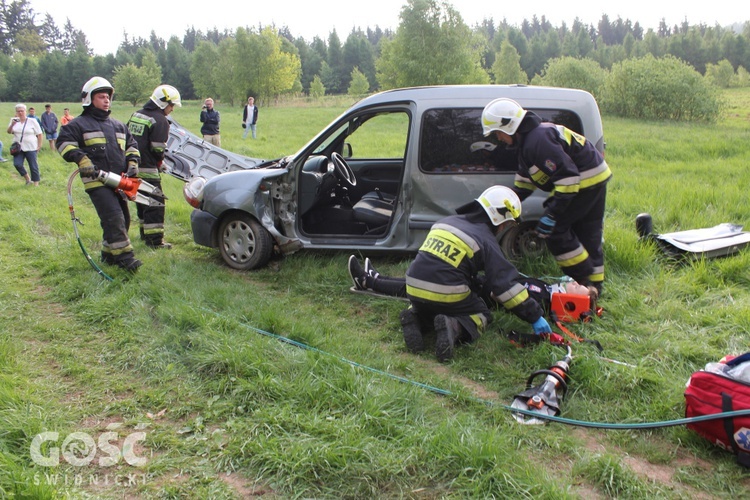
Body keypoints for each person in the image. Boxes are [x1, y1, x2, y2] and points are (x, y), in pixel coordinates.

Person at [348, 186, 552, 362]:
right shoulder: (485, 239)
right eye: (509, 223)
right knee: (481, 314)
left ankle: (416, 317)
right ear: (499, 217)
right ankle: (455, 327)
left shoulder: (448, 221)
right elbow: (506, 287)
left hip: (414, 288)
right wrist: (534, 316)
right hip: (448, 292)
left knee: (434, 297)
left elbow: (437, 265)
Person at [481, 98, 612, 295]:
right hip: (594, 179)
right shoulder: (529, 141)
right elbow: (525, 184)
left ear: (509, 126)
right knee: (588, 233)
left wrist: (552, 214)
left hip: (583, 183)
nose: (498, 138)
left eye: (497, 133)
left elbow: (568, 178)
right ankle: (594, 288)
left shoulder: (537, 141)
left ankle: (583, 282)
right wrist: (505, 204)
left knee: (556, 231)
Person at [58, 76, 143, 272]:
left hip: (119, 181)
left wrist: (132, 162)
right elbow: (64, 143)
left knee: (123, 217)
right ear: (89, 99)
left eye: (108, 97)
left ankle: (108, 255)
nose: (106, 100)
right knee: (114, 217)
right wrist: (81, 159)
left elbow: (132, 145)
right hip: (96, 182)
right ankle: (125, 259)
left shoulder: (118, 125)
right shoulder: (78, 125)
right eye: (101, 97)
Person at [127, 84, 181, 249]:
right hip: (149, 169)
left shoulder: (137, 115)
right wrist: (161, 162)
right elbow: (158, 148)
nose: (172, 109)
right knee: (156, 204)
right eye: (171, 105)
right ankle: (155, 241)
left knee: (142, 201)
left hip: (133, 168)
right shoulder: (160, 120)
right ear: (163, 102)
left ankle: (144, 235)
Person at [6, 103, 43, 186]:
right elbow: (9, 132)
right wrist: (12, 124)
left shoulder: (32, 121)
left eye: (22, 111)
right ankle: (27, 178)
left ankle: (36, 183)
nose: (20, 113)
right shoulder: (14, 120)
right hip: (18, 147)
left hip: (31, 146)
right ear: (16, 112)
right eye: (18, 111)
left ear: (25, 111)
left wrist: (39, 145)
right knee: (17, 164)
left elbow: (40, 134)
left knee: (33, 165)